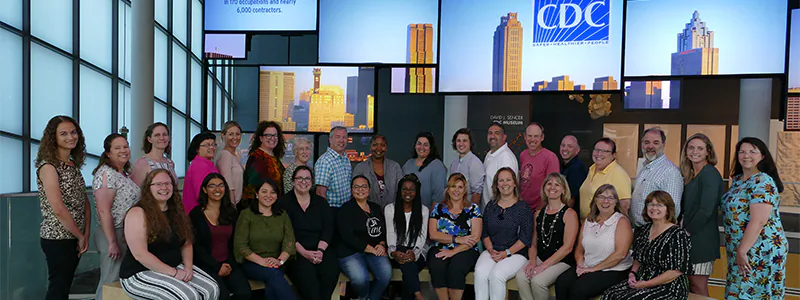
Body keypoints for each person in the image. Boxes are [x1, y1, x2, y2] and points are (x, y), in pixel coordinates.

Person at [119, 169, 220, 300]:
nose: (164, 188)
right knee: (187, 296)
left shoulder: (176, 211)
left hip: (173, 266)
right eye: (158, 184)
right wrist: (174, 273)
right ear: (148, 188)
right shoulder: (138, 213)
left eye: (168, 183)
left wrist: (188, 268)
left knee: (211, 289)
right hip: (139, 272)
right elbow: (140, 254)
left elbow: (186, 242)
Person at [721, 137, 788, 299]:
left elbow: (758, 221)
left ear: (763, 156)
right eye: (742, 152)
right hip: (740, 248)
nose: (746, 155)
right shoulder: (737, 181)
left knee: (753, 294)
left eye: (752, 151)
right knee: (738, 292)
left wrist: (742, 250)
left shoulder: (763, 181)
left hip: (760, 249)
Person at [36, 116, 91, 300]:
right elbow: (58, 208)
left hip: (74, 237)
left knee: (64, 286)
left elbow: (84, 203)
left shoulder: (72, 166)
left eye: (73, 132)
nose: (70, 137)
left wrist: (86, 234)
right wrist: (80, 235)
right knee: (58, 288)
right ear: (54, 138)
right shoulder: (49, 167)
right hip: (58, 237)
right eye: (64, 133)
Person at [602, 191, 691, 300]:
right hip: (642, 279)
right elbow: (638, 258)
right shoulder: (644, 230)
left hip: (668, 286)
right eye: (651, 204)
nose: (654, 208)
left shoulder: (678, 234)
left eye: (659, 205)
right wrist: (632, 274)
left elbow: (676, 271)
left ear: (668, 210)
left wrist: (646, 284)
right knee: (609, 294)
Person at [555, 184, 634, 300]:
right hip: (588, 264)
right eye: (601, 196)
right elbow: (579, 249)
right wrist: (580, 263)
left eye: (610, 198)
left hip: (614, 269)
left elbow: (620, 254)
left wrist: (593, 269)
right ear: (595, 200)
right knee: (561, 282)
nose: (605, 201)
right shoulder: (589, 220)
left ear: (616, 202)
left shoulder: (621, 221)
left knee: (579, 289)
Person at [91, 133, 140, 300]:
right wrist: (112, 242)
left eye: (125, 146)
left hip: (124, 233)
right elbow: (103, 210)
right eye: (117, 148)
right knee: (109, 281)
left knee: (118, 283)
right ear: (108, 153)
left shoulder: (122, 173)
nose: (123, 150)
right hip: (113, 233)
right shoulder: (106, 174)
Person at [516, 173, 579, 300]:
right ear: (544, 188)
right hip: (540, 258)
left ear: (563, 190)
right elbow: (533, 243)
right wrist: (532, 262)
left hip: (562, 261)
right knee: (521, 276)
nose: (552, 187)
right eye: (549, 184)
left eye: (557, 184)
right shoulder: (539, 213)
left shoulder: (569, 214)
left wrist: (543, 266)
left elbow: (568, 247)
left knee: (538, 281)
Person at [281, 166, 340, 300]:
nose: (303, 181)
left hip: (321, 248)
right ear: (293, 181)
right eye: (300, 178)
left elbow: (328, 228)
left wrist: (320, 251)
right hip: (295, 251)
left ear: (312, 181)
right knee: (309, 284)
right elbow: (285, 233)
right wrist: (304, 253)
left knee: (330, 273)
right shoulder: (284, 202)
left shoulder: (320, 202)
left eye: (307, 178)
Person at [189, 173, 251, 300]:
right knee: (221, 295)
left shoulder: (232, 212)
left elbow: (236, 242)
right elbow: (197, 247)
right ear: (205, 190)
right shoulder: (196, 214)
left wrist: (229, 264)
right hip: (206, 265)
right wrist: (217, 266)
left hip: (229, 263)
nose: (217, 189)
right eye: (212, 186)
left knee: (244, 293)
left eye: (221, 185)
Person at [475, 167, 533, 300]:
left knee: (497, 275)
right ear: (496, 184)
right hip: (492, 250)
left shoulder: (523, 208)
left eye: (508, 180)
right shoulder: (491, 205)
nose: (504, 183)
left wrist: (506, 253)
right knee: (480, 273)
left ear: (514, 183)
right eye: (501, 180)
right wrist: (490, 250)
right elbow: (485, 232)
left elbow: (525, 238)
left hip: (515, 254)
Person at [234, 178, 296, 300]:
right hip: (252, 263)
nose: (268, 195)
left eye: (272, 192)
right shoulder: (246, 215)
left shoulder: (282, 215)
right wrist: (263, 262)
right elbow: (241, 245)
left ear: (277, 196)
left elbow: (289, 241)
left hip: (277, 262)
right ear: (257, 194)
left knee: (273, 278)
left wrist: (280, 261)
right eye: (264, 191)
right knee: (274, 275)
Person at [679, 133, 723, 296]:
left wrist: (686, 232)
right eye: (691, 147)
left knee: (698, 286)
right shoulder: (690, 175)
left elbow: (707, 209)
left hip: (701, 239)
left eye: (700, 148)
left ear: (708, 152)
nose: (694, 151)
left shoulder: (709, 173)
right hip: (689, 237)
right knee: (689, 285)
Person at [336, 175, 393, 300]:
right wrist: (371, 249)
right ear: (351, 190)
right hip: (350, 252)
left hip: (374, 250)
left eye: (363, 186)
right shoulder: (345, 210)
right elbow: (348, 237)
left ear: (369, 189)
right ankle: (363, 296)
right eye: (356, 187)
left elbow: (384, 230)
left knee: (386, 274)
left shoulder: (375, 208)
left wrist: (382, 244)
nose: (360, 190)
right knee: (361, 278)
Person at [427, 173, 483, 300]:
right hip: (440, 246)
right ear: (448, 189)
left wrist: (453, 251)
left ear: (464, 190)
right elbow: (433, 234)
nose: (456, 190)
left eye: (460, 187)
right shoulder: (438, 208)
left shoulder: (473, 209)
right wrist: (455, 239)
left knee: (456, 267)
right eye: (453, 186)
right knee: (437, 266)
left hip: (466, 249)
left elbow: (475, 237)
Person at [385, 174, 430, 300]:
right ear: (399, 191)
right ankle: (418, 295)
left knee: (408, 264)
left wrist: (414, 253)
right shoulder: (390, 209)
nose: (408, 192)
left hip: (418, 252)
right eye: (404, 189)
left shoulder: (423, 210)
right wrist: (393, 252)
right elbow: (391, 233)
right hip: (396, 251)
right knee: (407, 264)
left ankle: (416, 296)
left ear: (417, 192)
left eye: (411, 189)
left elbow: (422, 237)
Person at [630, 127, 683, 228]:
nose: (650, 146)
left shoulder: (670, 171)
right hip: (641, 231)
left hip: (656, 232)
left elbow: (673, 209)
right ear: (642, 144)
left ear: (663, 144)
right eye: (646, 142)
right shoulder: (644, 168)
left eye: (656, 143)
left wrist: (658, 233)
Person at [578, 138, 631, 220]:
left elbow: (624, 205)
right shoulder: (592, 169)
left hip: (603, 227)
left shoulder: (619, 174)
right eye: (597, 149)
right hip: (588, 224)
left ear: (613, 155)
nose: (599, 153)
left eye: (605, 151)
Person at [242, 121, 286, 210]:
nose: (272, 138)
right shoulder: (257, 157)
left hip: (273, 206)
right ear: (261, 138)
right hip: (260, 209)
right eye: (268, 135)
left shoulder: (274, 157)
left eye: (275, 135)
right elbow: (252, 187)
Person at [353, 134, 404, 207]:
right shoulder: (360, 168)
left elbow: (401, 191)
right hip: (367, 213)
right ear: (370, 147)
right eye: (375, 145)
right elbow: (356, 193)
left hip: (392, 212)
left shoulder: (395, 167)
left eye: (382, 145)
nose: (378, 148)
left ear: (386, 148)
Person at [519, 123, 560, 211]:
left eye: (536, 136)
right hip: (523, 208)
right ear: (525, 137)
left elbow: (552, 188)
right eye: (529, 136)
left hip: (541, 209)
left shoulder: (550, 157)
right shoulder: (523, 155)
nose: (532, 139)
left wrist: (538, 211)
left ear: (542, 137)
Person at [402, 132, 447, 208]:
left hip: (428, 212)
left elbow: (439, 195)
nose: (421, 147)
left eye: (426, 145)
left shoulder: (437, 165)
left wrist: (432, 216)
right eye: (419, 143)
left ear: (430, 147)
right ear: (415, 146)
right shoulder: (408, 164)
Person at [483, 122, 519, 207]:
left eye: (497, 133)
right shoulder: (489, 154)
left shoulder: (506, 158)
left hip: (499, 211)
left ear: (504, 137)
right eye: (490, 133)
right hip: (489, 209)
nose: (492, 136)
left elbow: (507, 190)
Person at [315, 126, 352, 208]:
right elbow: (320, 193)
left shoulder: (345, 159)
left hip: (346, 209)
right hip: (332, 210)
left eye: (344, 137)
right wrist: (327, 215)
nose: (341, 140)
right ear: (330, 140)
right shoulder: (325, 161)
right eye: (338, 137)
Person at [184, 131, 221, 213]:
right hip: (200, 213)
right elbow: (200, 194)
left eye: (213, 144)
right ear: (197, 149)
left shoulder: (207, 164)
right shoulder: (200, 165)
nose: (211, 147)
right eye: (207, 145)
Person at [449, 128, 485, 205]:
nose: (461, 144)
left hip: (466, 210)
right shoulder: (454, 163)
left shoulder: (475, 162)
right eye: (458, 141)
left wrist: (470, 212)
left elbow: (477, 193)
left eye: (464, 141)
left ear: (470, 143)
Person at [217, 121, 245, 205]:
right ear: (223, 135)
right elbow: (228, 184)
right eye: (231, 134)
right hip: (230, 203)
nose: (235, 137)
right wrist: (232, 206)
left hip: (237, 202)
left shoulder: (235, 155)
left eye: (237, 134)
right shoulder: (226, 155)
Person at [559, 135, 588, 213]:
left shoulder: (577, 168)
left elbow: (572, 199)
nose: (565, 149)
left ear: (577, 150)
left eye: (570, 146)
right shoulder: (563, 166)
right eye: (563, 145)